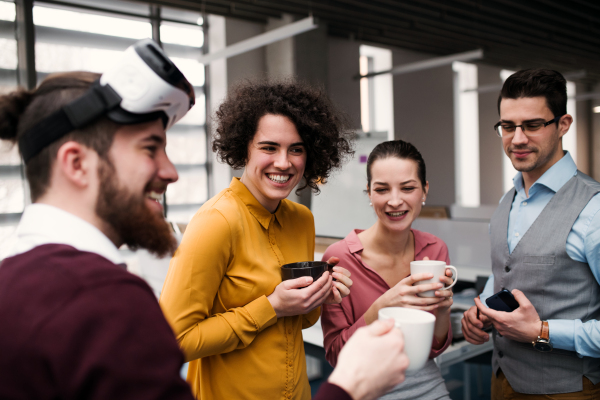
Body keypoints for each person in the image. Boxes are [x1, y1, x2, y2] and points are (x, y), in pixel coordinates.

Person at [0, 39, 195, 399]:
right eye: (150, 148)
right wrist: (337, 385)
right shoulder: (106, 303)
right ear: (77, 164)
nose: (170, 172)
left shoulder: (10, 282)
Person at [159, 80, 355, 400]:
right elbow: (173, 341)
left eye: (296, 149)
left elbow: (301, 321)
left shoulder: (301, 219)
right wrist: (271, 307)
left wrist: (320, 294)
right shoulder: (216, 222)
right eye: (269, 147)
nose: (283, 162)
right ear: (244, 147)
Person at [461, 69, 600, 398]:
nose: (517, 139)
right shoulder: (506, 200)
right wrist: (481, 310)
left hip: (568, 390)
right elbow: (506, 274)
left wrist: (542, 331)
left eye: (533, 125)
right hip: (502, 381)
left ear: (562, 125)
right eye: (507, 126)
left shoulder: (593, 210)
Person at [321, 140, 454, 400]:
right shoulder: (339, 258)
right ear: (369, 194)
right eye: (382, 189)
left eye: (408, 188)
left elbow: (434, 348)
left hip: (426, 384)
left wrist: (443, 310)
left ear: (424, 191)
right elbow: (337, 355)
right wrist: (383, 306)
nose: (395, 201)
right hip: (364, 389)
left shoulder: (435, 250)